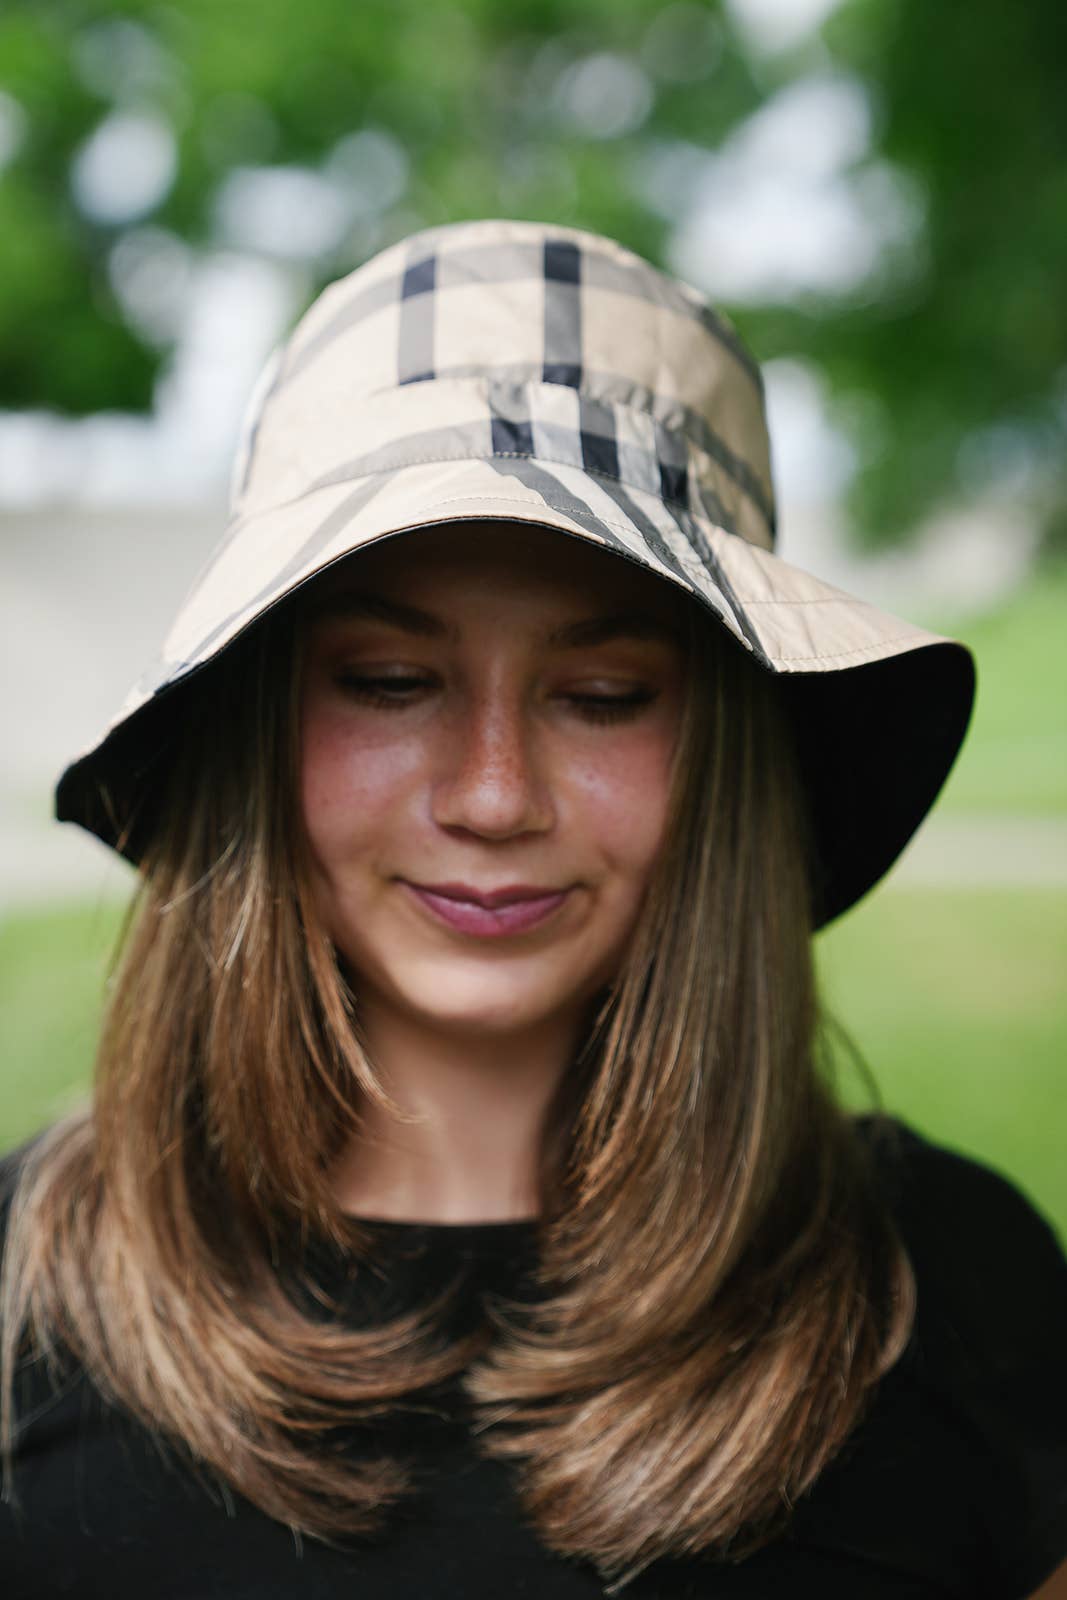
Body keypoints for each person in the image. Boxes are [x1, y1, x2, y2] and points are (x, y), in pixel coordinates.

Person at [1, 217, 1064, 1599]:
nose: (494, 795)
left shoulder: (946, 1286)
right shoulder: (24, 1286)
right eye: (389, 681)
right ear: (254, 732)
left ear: (725, 761)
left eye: (605, 697)